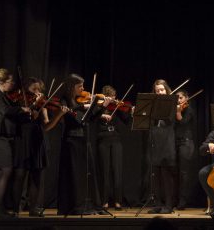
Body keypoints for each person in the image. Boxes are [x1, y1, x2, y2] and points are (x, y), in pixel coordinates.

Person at [54, 74, 110, 215]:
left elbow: (90, 119)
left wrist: (102, 107)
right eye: (80, 86)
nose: (83, 89)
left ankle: (92, 205)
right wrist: (84, 107)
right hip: (71, 140)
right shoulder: (65, 101)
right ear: (72, 86)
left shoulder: (78, 101)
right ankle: (77, 205)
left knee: (88, 174)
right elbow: (76, 121)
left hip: (84, 139)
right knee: (76, 175)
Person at [0, 68, 30, 218]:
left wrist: (28, 111)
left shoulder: (5, 96)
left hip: (7, 136)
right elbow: (5, 111)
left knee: (5, 171)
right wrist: (21, 109)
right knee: (5, 170)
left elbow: (13, 115)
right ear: (2, 82)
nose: (13, 84)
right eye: (11, 81)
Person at [12, 77, 49, 217]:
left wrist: (42, 111)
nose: (37, 92)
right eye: (34, 89)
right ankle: (16, 209)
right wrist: (33, 105)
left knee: (36, 176)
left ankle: (33, 208)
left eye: (39, 90)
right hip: (23, 139)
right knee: (20, 175)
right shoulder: (20, 101)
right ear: (26, 89)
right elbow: (15, 118)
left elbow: (45, 123)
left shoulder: (42, 104)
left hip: (37, 139)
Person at [96, 85, 132, 210]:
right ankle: (104, 201)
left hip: (116, 139)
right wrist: (103, 108)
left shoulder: (116, 107)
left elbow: (126, 120)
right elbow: (93, 118)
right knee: (104, 171)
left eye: (114, 97)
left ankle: (118, 201)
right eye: (111, 96)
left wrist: (130, 112)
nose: (114, 99)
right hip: (103, 138)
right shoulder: (99, 106)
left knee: (117, 170)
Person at [147, 79, 177, 214]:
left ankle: (169, 205)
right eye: (157, 90)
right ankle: (158, 204)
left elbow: (170, 120)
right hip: (155, 140)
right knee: (156, 175)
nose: (159, 92)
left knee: (166, 175)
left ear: (166, 90)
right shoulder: (152, 104)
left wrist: (160, 109)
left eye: (162, 90)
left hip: (166, 141)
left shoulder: (171, 102)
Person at [174, 90, 196, 210]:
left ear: (187, 98)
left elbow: (182, 123)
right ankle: (175, 199)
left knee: (184, 174)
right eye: (177, 98)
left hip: (186, 143)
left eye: (181, 98)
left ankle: (182, 201)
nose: (179, 100)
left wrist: (177, 112)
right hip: (176, 142)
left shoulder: (189, 110)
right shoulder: (177, 109)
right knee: (176, 173)